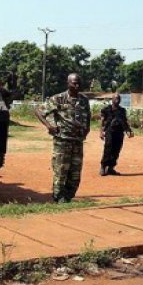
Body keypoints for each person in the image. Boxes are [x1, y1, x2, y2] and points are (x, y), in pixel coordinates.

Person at [35, 73, 91, 203]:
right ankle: (59, 197)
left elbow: (87, 116)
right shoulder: (59, 98)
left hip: (77, 142)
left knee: (75, 173)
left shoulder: (84, 100)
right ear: (68, 84)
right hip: (62, 141)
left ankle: (68, 196)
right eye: (74, 83)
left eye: (79, 83)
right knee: (60, 171)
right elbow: (39, 111)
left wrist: (86, 130)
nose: (77, 85)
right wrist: (49, 126)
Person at [99, 93, 134, 176]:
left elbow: (125, 122)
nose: (117, 100)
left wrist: (128, 130)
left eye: (119, 98)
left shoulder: (122, 110)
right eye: (116, 98)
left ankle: (111, 168)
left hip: (119, 133)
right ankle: (103, 166)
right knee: (108, 148)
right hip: (109, 132)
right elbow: (102, 121)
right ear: (112, 99)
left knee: (116, 150)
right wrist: (101, 132)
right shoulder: (106, 109)